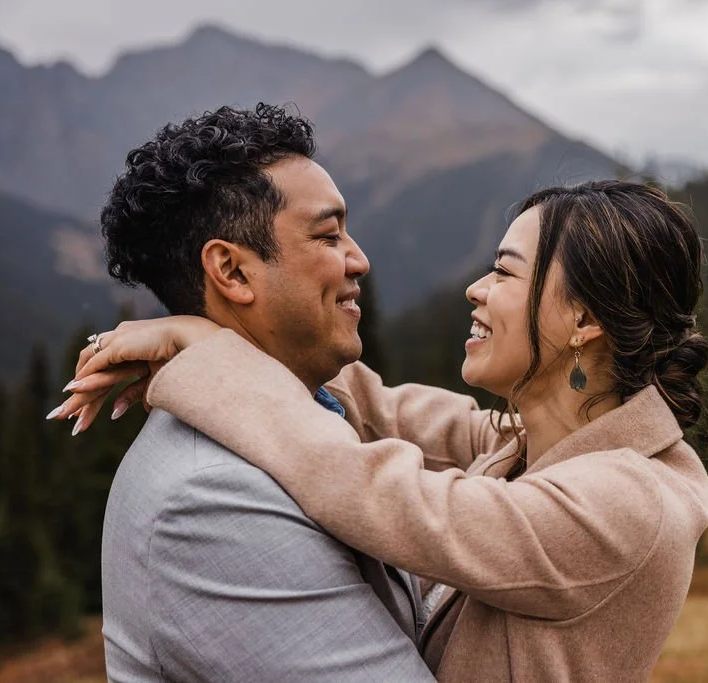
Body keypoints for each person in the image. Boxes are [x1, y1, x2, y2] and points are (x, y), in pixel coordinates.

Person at [58, 181, 708, 680]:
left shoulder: (627, 504)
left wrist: (209, 351)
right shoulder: (541, 446)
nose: (476, 289)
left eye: (507, 272)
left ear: (582, 319)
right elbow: (395, 411)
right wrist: (253, 343)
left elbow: (388, 496)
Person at [52, 103, 448, 681]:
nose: (358, 259)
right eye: (329, 234)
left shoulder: (305, 413)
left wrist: (205, 341)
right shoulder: (208, 499)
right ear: (232, 272)